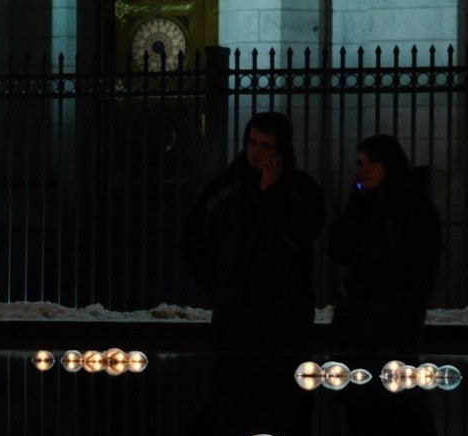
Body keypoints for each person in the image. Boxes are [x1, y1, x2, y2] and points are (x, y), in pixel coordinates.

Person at [183, 111, 325, 356]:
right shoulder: (226, 188)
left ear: (280, 149)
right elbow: (195, 232)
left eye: (265, 145)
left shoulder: (302, 190)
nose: (256, 151)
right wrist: (214, 281)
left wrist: (270, 194)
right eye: (252, 143)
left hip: (285, 315)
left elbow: (303, 233)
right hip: (234, 313)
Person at [328, 134, 441, 362]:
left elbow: (413, 266)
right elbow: (340, 251)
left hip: (394, 321)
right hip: (358, 323)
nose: (364, 169)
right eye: (360, 163)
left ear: (388, 164)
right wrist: (355, 202)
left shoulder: (416, 207)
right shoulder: (367, 204)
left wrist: (357, 286)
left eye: (372, 162)